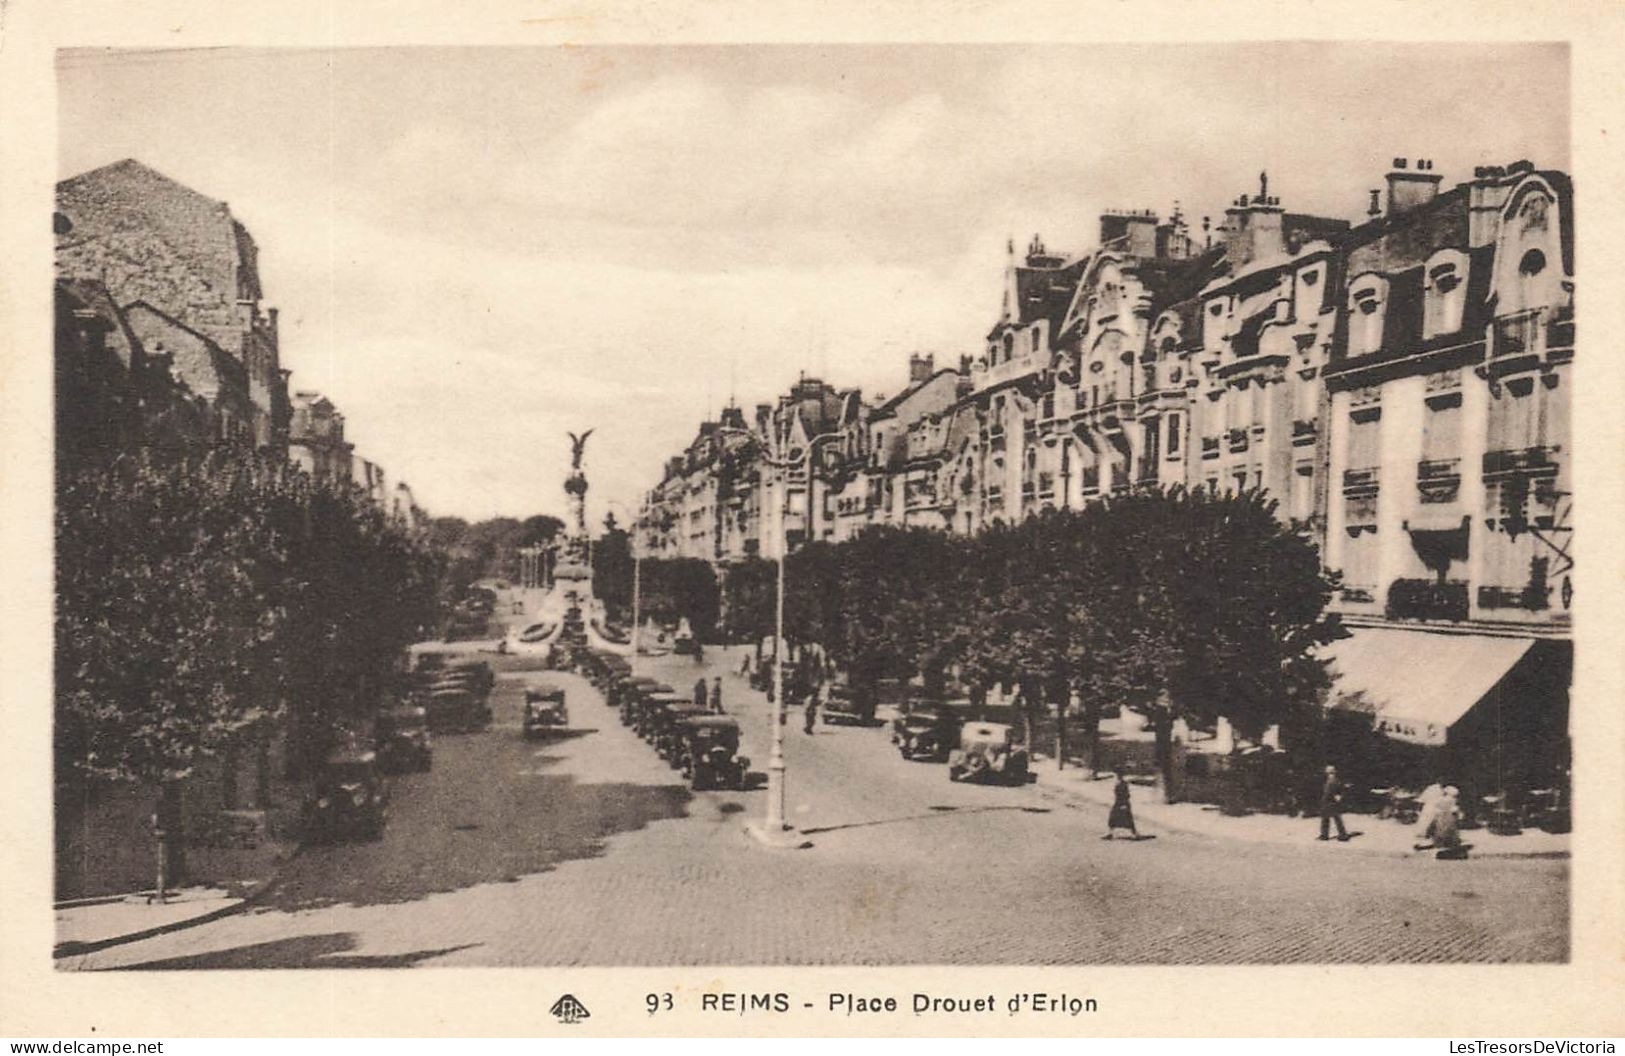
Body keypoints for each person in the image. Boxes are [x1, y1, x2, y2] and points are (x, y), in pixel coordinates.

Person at [1318, 765, 1350, 841]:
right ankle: (1340, 835)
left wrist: (1324, 799)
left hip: (1329, 801)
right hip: (1331, 800)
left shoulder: (1332, 780)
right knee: (1333, 818)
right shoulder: (1335, 779)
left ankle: (1327, 835)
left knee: (1330, 818)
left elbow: (1330, 791)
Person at [1104, 770, 1139, 840]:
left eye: (1117, 775)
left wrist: (1124, 804)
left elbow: (1127, 795)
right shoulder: (1118, 783)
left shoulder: (1123, 784)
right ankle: (1110, 833)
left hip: (1123, 803)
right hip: (1118, 802)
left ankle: (1135, 834)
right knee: (1113, 818)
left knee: (1128, 819)